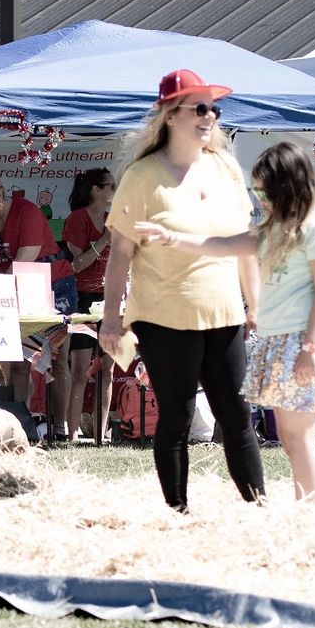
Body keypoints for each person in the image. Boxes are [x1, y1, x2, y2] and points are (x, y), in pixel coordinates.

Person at [135, 142, 315, 502]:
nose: (259, 197)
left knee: (300, 436)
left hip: (303, 341)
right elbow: (219, 244)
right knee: (292, 438)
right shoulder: (275, 230)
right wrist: (171, 237)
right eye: (257, 190)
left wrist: (309, 349)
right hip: (281, 341)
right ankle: (308, 508)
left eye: (264, 190)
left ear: (287, 186)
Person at [98, 70, 265, 512]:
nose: (210, 117)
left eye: (213, 109)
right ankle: (178, 511)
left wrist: (256, 304)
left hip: (225, 312)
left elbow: (245, 244)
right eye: (200, 108)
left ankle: (258, 505)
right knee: (176, 416)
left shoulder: (226, 168)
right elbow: (120, 253)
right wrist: (111, 318)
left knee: (237, 416)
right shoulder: (142, 175)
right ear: (171, 115)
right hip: (162, 316)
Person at [0, 168, 76, 440]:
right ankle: (20, 426)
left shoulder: (29, 212)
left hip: (53, 286)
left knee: (58, 359)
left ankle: (60, 428)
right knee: (16, 361)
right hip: (9, 294)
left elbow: (24, 263)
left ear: (0, 195)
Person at [61, 167, 114, 444]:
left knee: (108, 367)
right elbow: (77, 264)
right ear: (96, 190)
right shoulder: (77, 219)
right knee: (80, 369)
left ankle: (101, 435)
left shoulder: (111, 218)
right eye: (111, 187)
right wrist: (105, 238)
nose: (114, 193)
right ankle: (71, 434)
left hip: (111, 298)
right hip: (82, 298)